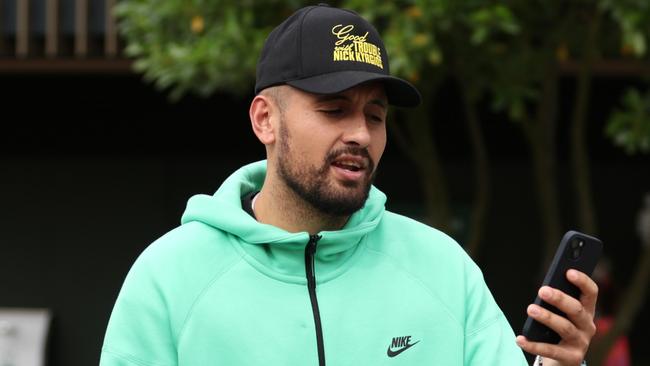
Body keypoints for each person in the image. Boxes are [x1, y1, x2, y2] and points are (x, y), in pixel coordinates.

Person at [100, 4, 598, 366]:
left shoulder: (444, 269)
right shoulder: (168, 278)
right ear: (265, 119)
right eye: (334, 110)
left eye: (375, 116)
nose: (360, 134)